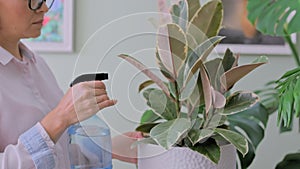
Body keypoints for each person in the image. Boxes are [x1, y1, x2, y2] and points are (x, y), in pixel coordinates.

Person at [0, 0, 141, 168]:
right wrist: (60, 117)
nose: (43, 8)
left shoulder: (38, 65)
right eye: (32, 1)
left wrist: (110, 147)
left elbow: (61, 152)